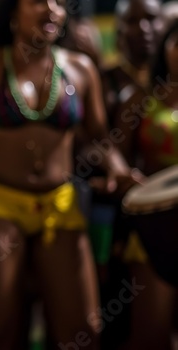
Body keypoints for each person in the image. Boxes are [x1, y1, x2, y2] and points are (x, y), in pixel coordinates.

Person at [0, 0, 142, 349]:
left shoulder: (80, 69)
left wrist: (119, 170)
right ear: (12, 13)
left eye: (58, 3)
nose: (52, 9)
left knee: (82, 333)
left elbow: (101, 140)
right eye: (38, 1)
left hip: (59, 203)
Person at [114, 19, 178, 350]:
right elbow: (114, 150)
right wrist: (124, 175)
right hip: (158, 224)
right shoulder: (143, 99)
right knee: (152, 335)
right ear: (166, 47)